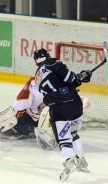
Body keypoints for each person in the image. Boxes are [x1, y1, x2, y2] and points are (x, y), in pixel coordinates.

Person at [33, 48, 92, 181]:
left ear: (36, 62)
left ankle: (69, 160)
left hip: (59, 109)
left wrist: (78, 77)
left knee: (64, 138)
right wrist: (81, 77)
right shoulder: (53, 62)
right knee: (74, 132)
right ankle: (80, 158)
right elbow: (69, 79)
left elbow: (56, 85)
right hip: (75, 105)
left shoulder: (36, 78)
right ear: (47, 56)